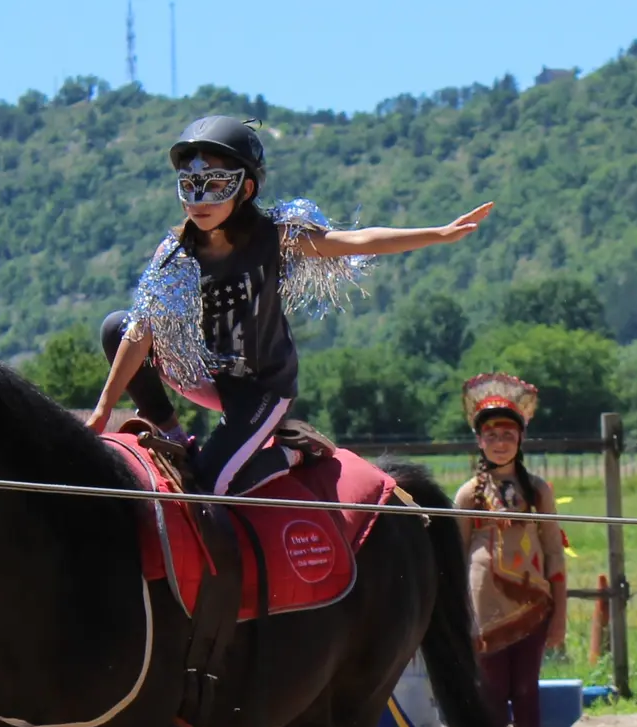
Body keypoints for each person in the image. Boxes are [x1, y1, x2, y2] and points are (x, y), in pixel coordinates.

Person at [88, 115, 492, 494]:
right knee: (118, 326)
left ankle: (295, 451)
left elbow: (359, 241)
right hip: (208, 375)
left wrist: (440, 233)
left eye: (214, 185)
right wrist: (103, 411)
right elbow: (141, 331)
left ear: (245, 189)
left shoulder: (275, 237)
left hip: (263, 388)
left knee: (209, 488)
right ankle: (175, 436)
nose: (198, 198)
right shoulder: (175, 253)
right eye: (189, 184)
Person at [453, 374, 567, 727]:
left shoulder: (538, 492)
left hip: (533, 605)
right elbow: (456, 557)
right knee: (492, 692)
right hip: (485, 609)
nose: (500, 442)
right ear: (480, 441)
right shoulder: (468, 495)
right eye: (491, 435)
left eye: (508, 434)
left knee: (526, 690)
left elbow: (554, 552)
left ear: (521, 438)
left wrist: (559, 612)